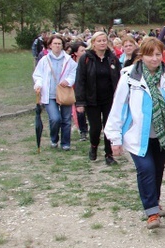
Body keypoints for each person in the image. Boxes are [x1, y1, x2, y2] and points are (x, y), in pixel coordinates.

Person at [105, 38, 165, 230]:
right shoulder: (130, 77)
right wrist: (115, 138)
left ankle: (155, 200)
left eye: (158, 54)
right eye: (150, 54)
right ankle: (152, 212)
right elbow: (119, 107)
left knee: (158, 170)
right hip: (138, 135)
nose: (154, 59)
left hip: (161, 135)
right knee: (146, 169)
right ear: (141, 55)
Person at [75, 31, 121, 165]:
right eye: (99, 41)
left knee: (109, 127)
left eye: (104, 40)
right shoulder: (86, 59)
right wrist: (80, 102)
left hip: (109, 99)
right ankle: (94, 146)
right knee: (95, 128)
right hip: (92, 99)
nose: (102, 43)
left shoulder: (112, 58)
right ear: (93, 43)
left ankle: (109, 154)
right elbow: (80, 81)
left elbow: (118, 79)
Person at [33, 35, 78, 151]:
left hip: (64, 93)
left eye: (59, 44)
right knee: (55, 118)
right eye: (55, 44)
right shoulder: (44, 60)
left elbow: (74, 72)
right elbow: (38, 75)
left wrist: (68, 81)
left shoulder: (68, 60)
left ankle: (65, 143)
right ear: (50, 46)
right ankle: (54, 138)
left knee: (66, 119)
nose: (57, 46)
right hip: (50, 94)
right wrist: (38, 85)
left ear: (63, 45)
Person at [68, 41, 89, 142]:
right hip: (76, 90)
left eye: (85, 50)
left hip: (89, 89)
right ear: (76, 53)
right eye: (82, 50)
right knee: (80, 111)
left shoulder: (89, 61)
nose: (84, 52)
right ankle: (83, 131)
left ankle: (91, 128)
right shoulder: (71, 63)